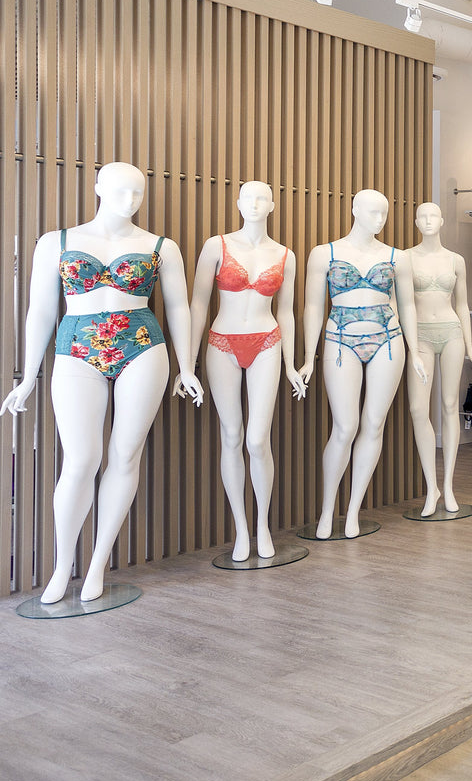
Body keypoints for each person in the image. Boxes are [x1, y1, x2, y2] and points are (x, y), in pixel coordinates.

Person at [0, 162, 203, 603]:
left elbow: (179, 307)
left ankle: (97, 564)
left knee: (125, 456)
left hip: (143, 345)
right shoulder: (56, 242)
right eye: (120, 190)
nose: (130, 200)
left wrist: (186, 367)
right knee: (80, 459)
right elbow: (40, 309)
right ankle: (61, 567)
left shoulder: (159, 246)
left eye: (138, 192)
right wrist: (28, 374)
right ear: (97, 188)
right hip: (75, 346)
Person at [184, 181, 306, 562]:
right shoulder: (216, 246)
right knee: (232, 435)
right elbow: (198, 305)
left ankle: (262, 525)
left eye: (262, 198)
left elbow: (286, 312)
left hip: (268, 342)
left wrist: (291, 364)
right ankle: (241, 528)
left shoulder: (285, 255)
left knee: (256, 439)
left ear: (272, 205)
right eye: (248, 198)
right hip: (222, 343)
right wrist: (187, 364)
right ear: (237, 203)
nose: (254, 204)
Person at [299, 189, 427, 539]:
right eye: (373, 212)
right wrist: (308, 357)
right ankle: (328, 510)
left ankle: (353, 510)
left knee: (373, 423)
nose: (380, 219)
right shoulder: (324, 254)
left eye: (384, 213)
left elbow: (407, 306)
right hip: (340, 339)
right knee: (345, 426)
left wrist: (415, 351)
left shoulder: (397, 257)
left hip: (388, 339)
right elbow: (313, 307)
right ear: (354, 209)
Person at [406, 203, 472, 516]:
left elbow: (462, 305)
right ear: (416, 222)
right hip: (421, 335)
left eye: (433, 216)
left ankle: (448, 485)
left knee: (450, 405)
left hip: (451, 332)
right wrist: (410, 346)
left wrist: (470, 347)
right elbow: (403, 304)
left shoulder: (456, 260)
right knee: (417, 408)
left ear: (441, 221)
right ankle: (431, 487)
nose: (428, 221)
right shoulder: (406, 258)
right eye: (422, 216)